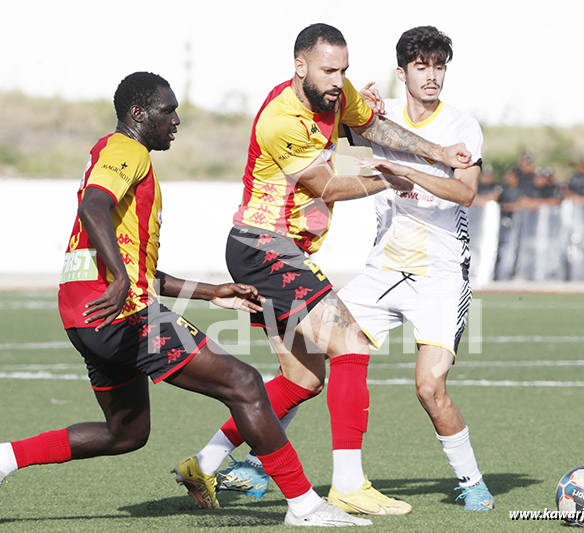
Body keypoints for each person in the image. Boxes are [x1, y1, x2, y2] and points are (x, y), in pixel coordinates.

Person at [0, 72, 372, 527]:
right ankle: (305, 506)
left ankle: (4, 459)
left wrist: (210, 291)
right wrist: (119, 277)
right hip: (123, 315)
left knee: (126, 433)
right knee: (246, 385)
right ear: (138, 115)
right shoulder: (126, 150)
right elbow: (92, 206)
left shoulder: (112, 154)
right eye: (167, 111)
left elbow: (137, 266)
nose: (176, 120)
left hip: (86, 317)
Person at [173, 23, 472, 516]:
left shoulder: (335, 93)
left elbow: (373, 126)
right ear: (300, 66)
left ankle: (204, 462)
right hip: (263, 247)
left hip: (279, 251)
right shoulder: (280, 118)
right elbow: (326, 186)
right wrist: (389, 178)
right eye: (329, 70)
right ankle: (349, 483)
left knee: (302, 380)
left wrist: (435, 151)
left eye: (344, 70)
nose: (338, 80)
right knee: (351, 345)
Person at [340, 25, 495, 511]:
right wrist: (356, 101)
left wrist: (407, 170)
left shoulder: (462, 127)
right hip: (383, 267)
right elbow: (333, 117)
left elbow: (465, 192)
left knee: (429, 387)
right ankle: (256, 464)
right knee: (308, 354)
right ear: (402, 71)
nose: (431, 76)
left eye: (439, 66)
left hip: (442, 275)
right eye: (421, 66)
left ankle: (472, 484)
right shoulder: (380, 115)